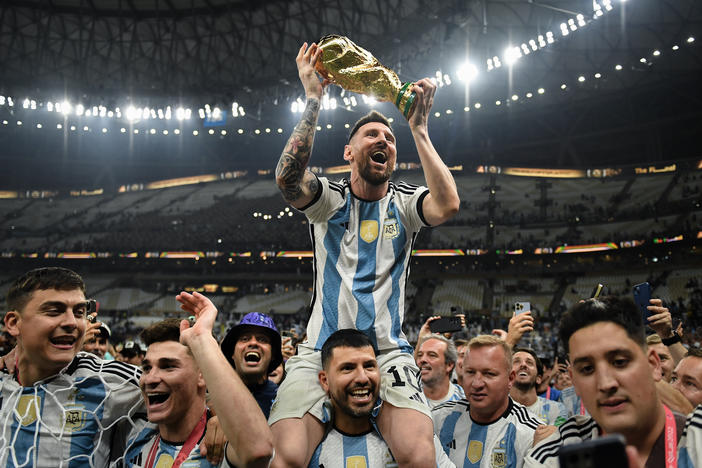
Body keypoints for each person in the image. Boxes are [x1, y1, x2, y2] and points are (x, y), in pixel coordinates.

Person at [272, 41, 460, 468]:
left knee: (417, 452)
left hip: (387, 352)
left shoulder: (405, 204)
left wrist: (418, 129)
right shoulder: (328, 201)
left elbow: (447, 205)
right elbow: (287, 180)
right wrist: (314, 98)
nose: (384, 141)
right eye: (372, 134)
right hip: (319, 349)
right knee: (286, 457)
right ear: (349, 152)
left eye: (390, 138)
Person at [0, 267, 143, 467]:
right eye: (54, 311)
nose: (71, 322)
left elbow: (186, 391)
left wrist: (205, 421)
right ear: (14, 323)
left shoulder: (110, 380)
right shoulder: (3, 377)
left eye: (79, 312)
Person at [525, 296, 688, 468]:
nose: (606, 384)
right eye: (587, 369)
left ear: (653, 365)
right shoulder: (552, 455)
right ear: (575, 381)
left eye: (619, 362)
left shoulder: (695, 437)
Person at [122, 293, 274, 468]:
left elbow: (259, 449)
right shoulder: (132, 433)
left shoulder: (219, 448)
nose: (150, 379)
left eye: (168, 366)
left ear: (202, 375)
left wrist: (201, 338)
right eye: (147, 368)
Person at [310, 329, 454, 467]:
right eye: (348, 368)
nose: (362, 378)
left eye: (369, 366)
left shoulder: (413, 441)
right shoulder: (310, 452)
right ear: (325, 380)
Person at [433, 335, 542, 468]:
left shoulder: (531, 434)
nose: (477, 383)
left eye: (489, 374)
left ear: (510, 379)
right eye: (470, 372)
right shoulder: (438, 419)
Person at [220, 312, 283, 418]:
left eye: (262, 339)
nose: (253, 343)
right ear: (232, 354)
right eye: (244, 339)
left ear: (273, 355)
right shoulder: (215, 398)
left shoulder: (284, 400)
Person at [510, 348, 568, 427]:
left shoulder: (556, 409)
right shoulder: (495, 409)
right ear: (508, 376)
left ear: (539, 378)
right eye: (516, 361)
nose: (523, 365)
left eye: (529, 363)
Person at [416, 334, 465, 407]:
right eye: (420, 355)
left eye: (432, 355)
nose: (422, 360)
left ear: (449, 365)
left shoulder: (465, 401)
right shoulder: (407, 398)